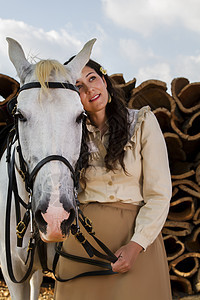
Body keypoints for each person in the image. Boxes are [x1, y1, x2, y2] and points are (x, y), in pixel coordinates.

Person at [54, 58, 172, 300]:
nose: (89, 90)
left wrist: (135, 246)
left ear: (104, 81)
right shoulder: (67, 137)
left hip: (135, 246)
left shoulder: (142, 123)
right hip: (81, 248)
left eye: (92, 78)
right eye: (78, 86)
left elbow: (159, 194)